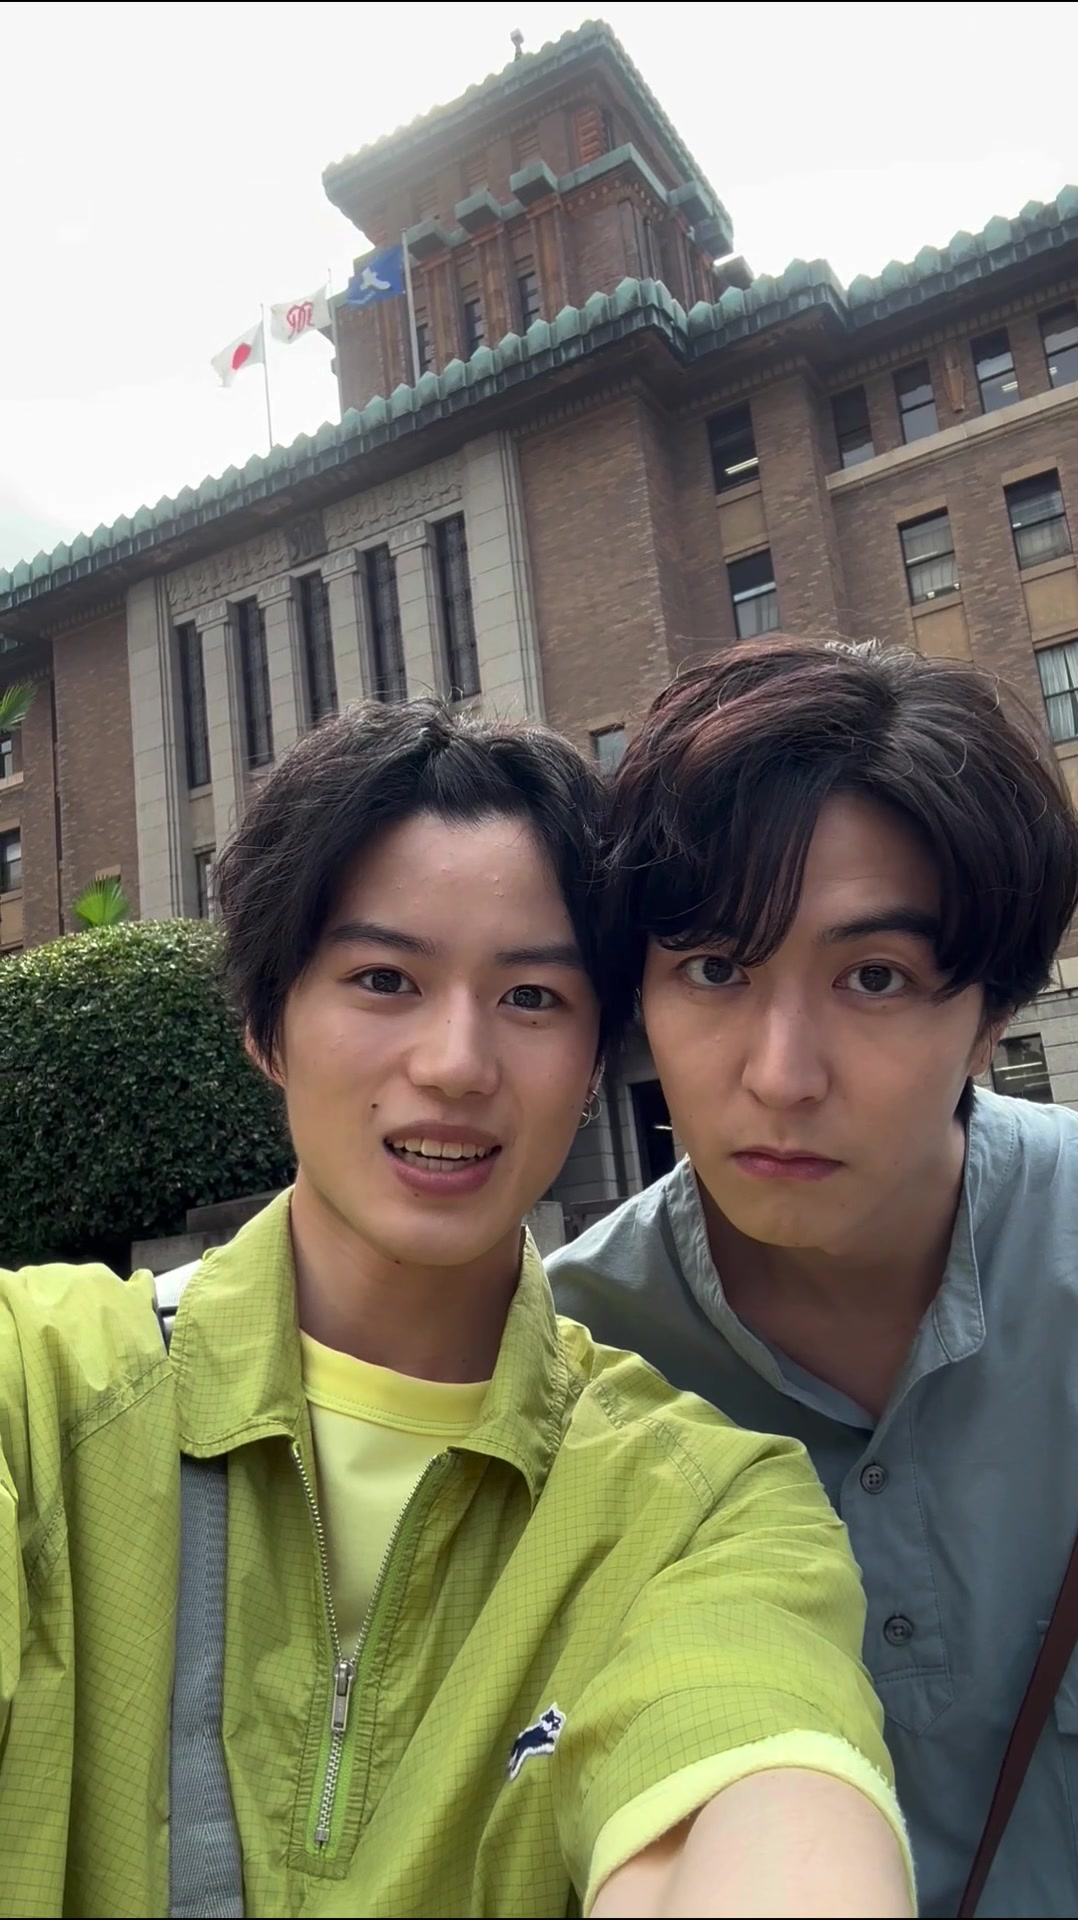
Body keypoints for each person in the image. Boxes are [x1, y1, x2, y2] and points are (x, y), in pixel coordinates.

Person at [0, 700, 912, 1920]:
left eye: (532, 997)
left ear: (593, 1060)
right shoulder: (38, 1384)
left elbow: (749, 1778)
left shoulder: (699, 1505)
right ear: (267, 1025)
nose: (456, 1065)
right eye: (383, 979)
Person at [549, 633, 1078, 1920]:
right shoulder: (565, 1361)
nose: (781, 1075)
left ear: (991, 1010)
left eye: (874, 977)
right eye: (714, 971)